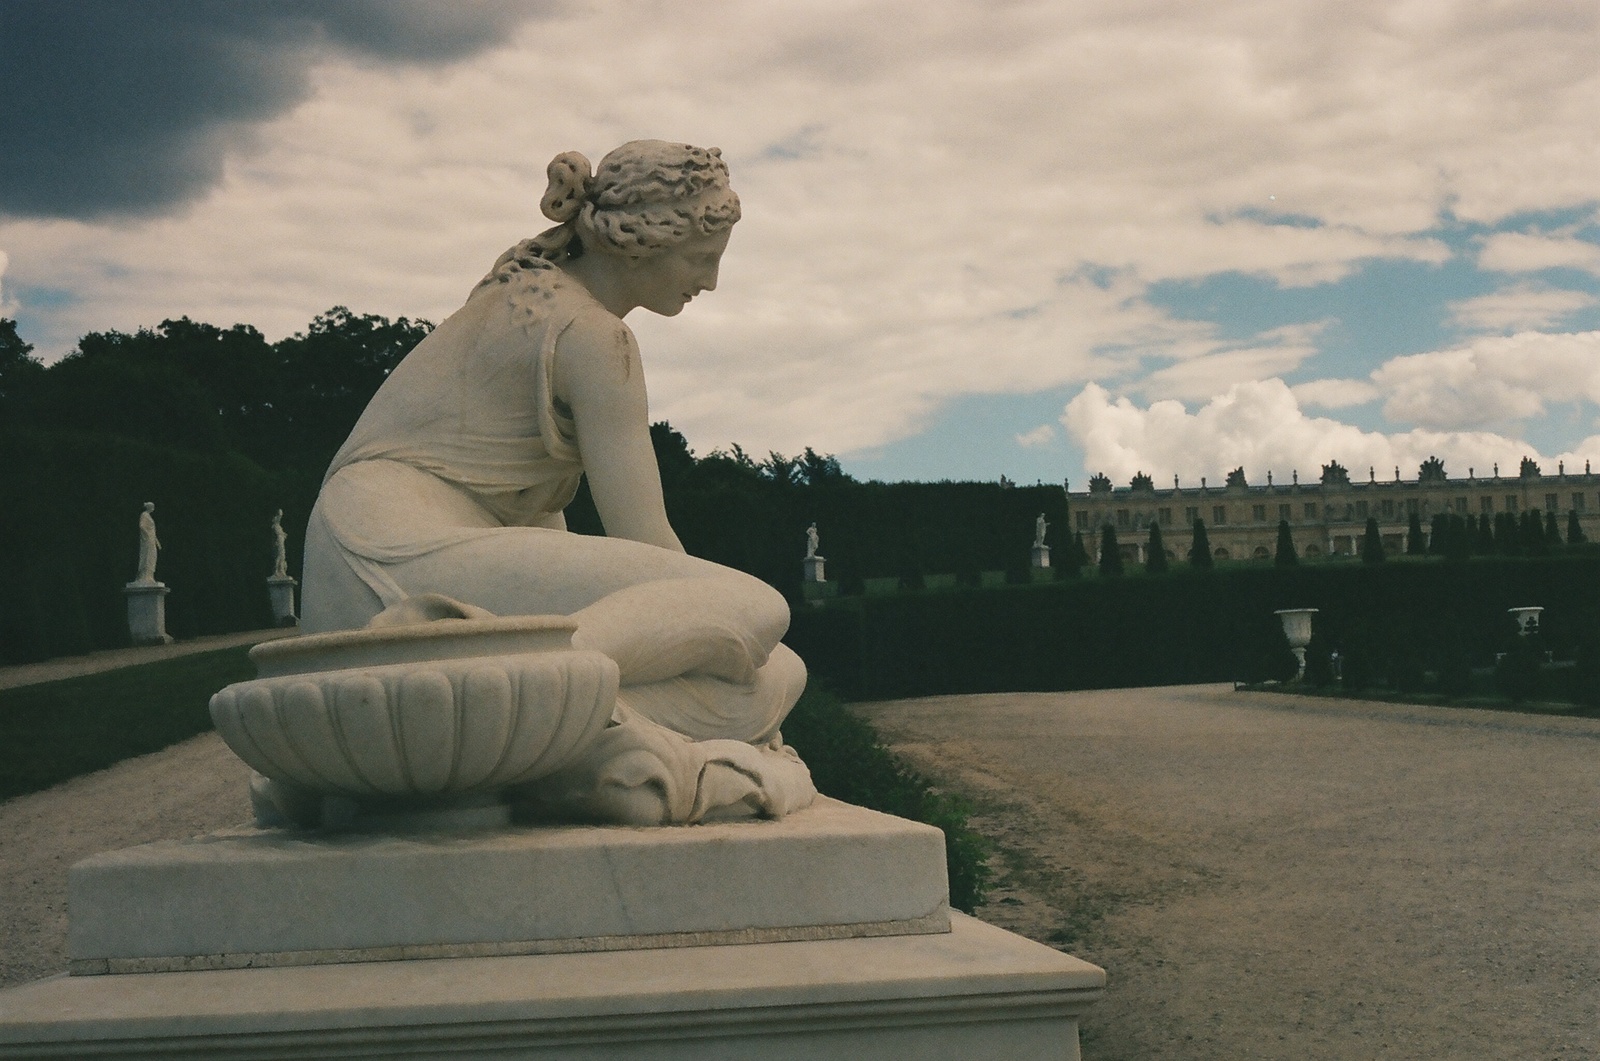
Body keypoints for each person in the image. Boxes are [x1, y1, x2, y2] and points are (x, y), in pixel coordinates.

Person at [299, 141, 810, 823]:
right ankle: (547, 694)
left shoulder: (524, 293)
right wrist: (726, 639)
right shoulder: (597, 339)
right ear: (643, 243)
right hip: (397, 560)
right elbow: (653, 550)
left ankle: (518, 713)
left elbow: (540, 537)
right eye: (701, 258)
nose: (710, 281)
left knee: (781, 671)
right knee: (759, 613)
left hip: (353, 567)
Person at [135, 502, 160, 583]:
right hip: (147, 540)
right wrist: (148, 535)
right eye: (152, 506)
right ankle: (145, 576)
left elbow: (153, 530)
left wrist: (156, 541)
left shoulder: (148, 516)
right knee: (147, 556)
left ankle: (150, 576)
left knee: (152, 557)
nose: (153, 508)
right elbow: (141, 526)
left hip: (152, 540)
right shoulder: (144, 515)